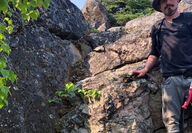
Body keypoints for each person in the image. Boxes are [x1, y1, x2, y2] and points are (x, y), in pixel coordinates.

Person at [132, 0, 192, 132]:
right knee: (171, 123)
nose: (167, 3)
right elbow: (155, 53)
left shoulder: (189, 18)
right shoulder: (157, 27)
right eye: (162, 1)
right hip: (170, 79)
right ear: (159, 6)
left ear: (177, 1)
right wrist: (145, 69)